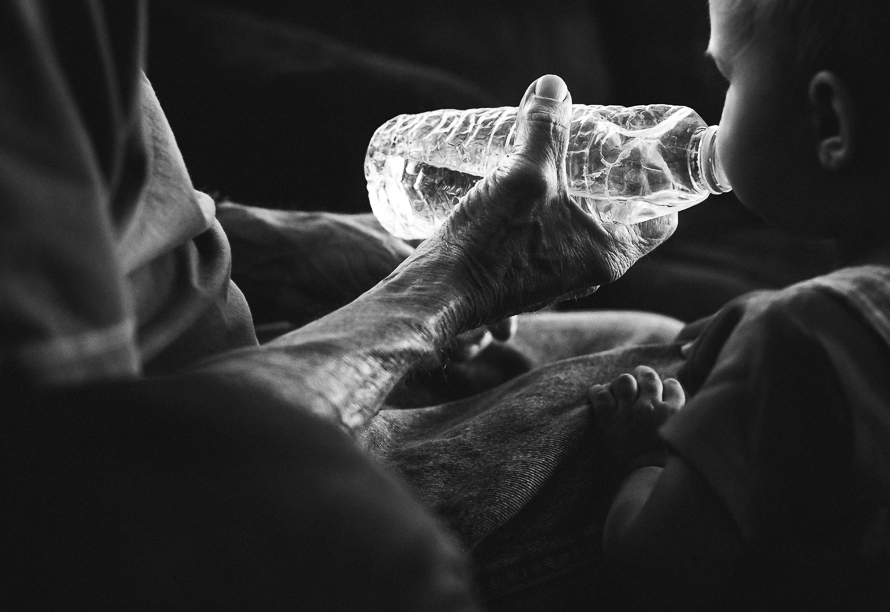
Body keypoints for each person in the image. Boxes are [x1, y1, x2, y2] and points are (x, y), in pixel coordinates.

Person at [0, 1, 677, 609]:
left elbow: (103, 207)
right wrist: (450, 283)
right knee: (698, 383)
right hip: (228, 498)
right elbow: (108, 493)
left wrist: (291, 248)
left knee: (651, 331)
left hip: (232, 370)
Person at [585, 0, 890, 609]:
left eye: (727, 79)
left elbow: (654, 565)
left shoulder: (795, 341)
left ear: (829, 122)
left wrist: (641, 452)